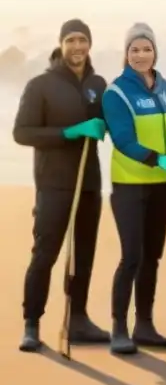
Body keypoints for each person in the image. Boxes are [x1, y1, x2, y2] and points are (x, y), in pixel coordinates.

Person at [13, 18, 110, 352]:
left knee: (83, 255)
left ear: (90, 44)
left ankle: (78, 319)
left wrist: (106, 125)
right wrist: (68, 133)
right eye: (71, 40)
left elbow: (112, 123)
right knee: (45, 254)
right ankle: (31, 324)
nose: (78, 46)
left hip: (88, 184)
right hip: (53, 185)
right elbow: (22, 133)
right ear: (61, 44)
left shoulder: (98, 83)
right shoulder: (41, 85)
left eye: (83, 39)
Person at [102, 23, 166, 355]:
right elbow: (123, 140)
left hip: (163, 188)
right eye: (134, 49)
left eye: (146, 48)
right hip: (130, 186)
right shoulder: (116, 92)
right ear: (126, 53)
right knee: (132, 256)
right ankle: (119, 328)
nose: (140, 55)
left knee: (153, 256)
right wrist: (158, 159)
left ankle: (145, 324)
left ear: (155, 51)